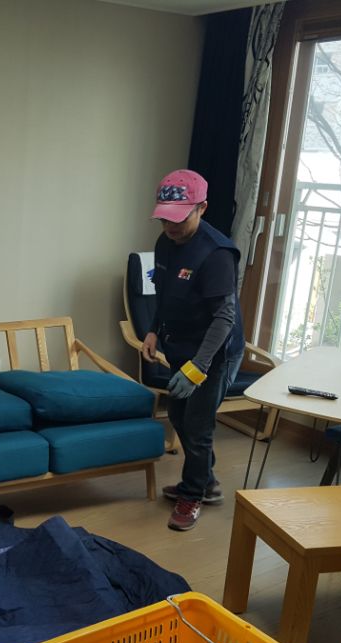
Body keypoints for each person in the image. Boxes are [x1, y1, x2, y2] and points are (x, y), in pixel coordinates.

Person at [142, 169, 245, 531]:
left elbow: (224, 318)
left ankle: (193, 494)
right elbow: (165, 294)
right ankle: (207, 481)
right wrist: (153, 331)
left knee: (198, 425)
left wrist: (199, 367)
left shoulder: (217, 254)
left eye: (179, 218)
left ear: (202, 208)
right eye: (164, 218)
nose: (170, 226)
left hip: (215, 352)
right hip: (181, 346)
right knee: (179, 416)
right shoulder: (165, 243)